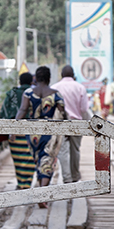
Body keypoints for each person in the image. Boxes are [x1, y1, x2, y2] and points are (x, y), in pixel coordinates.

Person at [12, 66, 66, 208]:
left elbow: (22, 110)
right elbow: (63, 112)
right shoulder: (56, 94)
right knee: (47, 161)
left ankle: (41, 193)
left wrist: (13, 129)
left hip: (32, 133)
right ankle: (42, 195)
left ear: (36, 78)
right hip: (50, 133)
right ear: (49, 78)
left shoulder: (28, 92)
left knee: (38, 159)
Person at [0, 72, 36, 190]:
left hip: (14, 133)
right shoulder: (35, 94)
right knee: (30, 158)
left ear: (19, 82)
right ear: (31, 82)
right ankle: (27, 184)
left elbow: (4, 112)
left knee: (18, 159)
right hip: (32, 132)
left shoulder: (12, 94)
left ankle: (20, 183)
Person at [52, 65, 90, 183]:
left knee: (62, 150)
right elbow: (84, 109)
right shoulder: (80, 88)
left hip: (59, 123)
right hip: (76, 123)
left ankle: (66, 177)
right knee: (75, 150)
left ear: (61, 75)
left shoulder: (54, 88)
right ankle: (74, 176)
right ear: (73, 75)